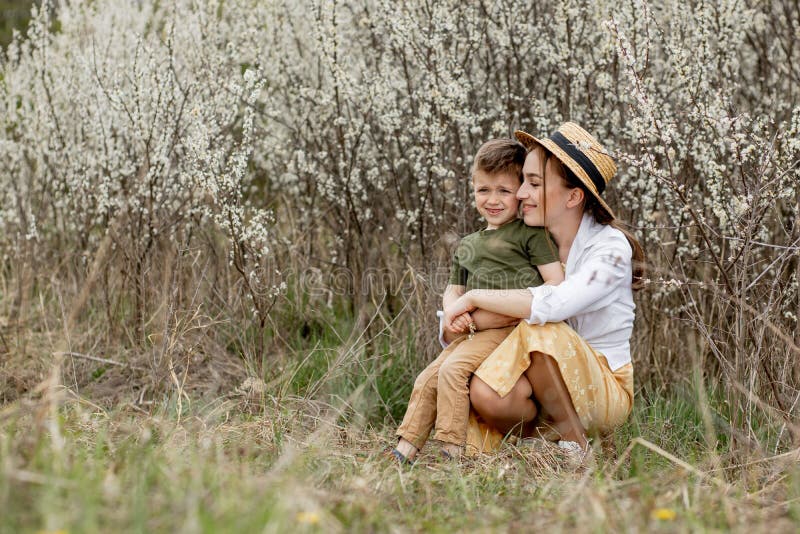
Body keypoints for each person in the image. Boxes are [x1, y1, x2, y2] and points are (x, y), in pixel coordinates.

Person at [443, 122, 644, 456]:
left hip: (601, 390)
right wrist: (456, 319)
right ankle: (537, 442)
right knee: (485, 391)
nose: (520, 193)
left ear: (574, 196)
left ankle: (576, 446)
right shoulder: (528, 240)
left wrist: (472, 300)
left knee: (542, 326)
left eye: (533, 183)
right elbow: (456, 321)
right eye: (523, 181)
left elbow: (555, 304)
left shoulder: (610, 250)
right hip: (535, 383)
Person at [391, 139, 564, 463]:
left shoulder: (530, 235)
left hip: (508, 330)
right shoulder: (469, 244)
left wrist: (518, 306)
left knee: (453, 371)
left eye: (503, 190)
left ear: (521, 192)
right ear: (472, 190)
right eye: (483, 190)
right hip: (472, 331)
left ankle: (453, 449)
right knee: (428, 377)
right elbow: (455, 289)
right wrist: (452, 313)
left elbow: (556, 282)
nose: (493, 200)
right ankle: (405, 449)